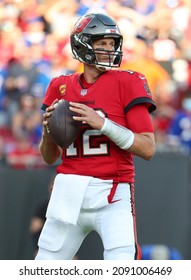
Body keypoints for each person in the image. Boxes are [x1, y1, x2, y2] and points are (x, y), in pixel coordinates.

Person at [35, 13, 156, 260]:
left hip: (112, 192)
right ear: (81, 44)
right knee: (43, 269)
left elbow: (148, 148)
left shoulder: (128, 81)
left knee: (122, 268)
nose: (108, 49)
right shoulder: (59, 85)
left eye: (112, 44)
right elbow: (49, 157)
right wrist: (49, 130)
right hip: (68, 193)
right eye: (101, 43)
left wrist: (103, 124)